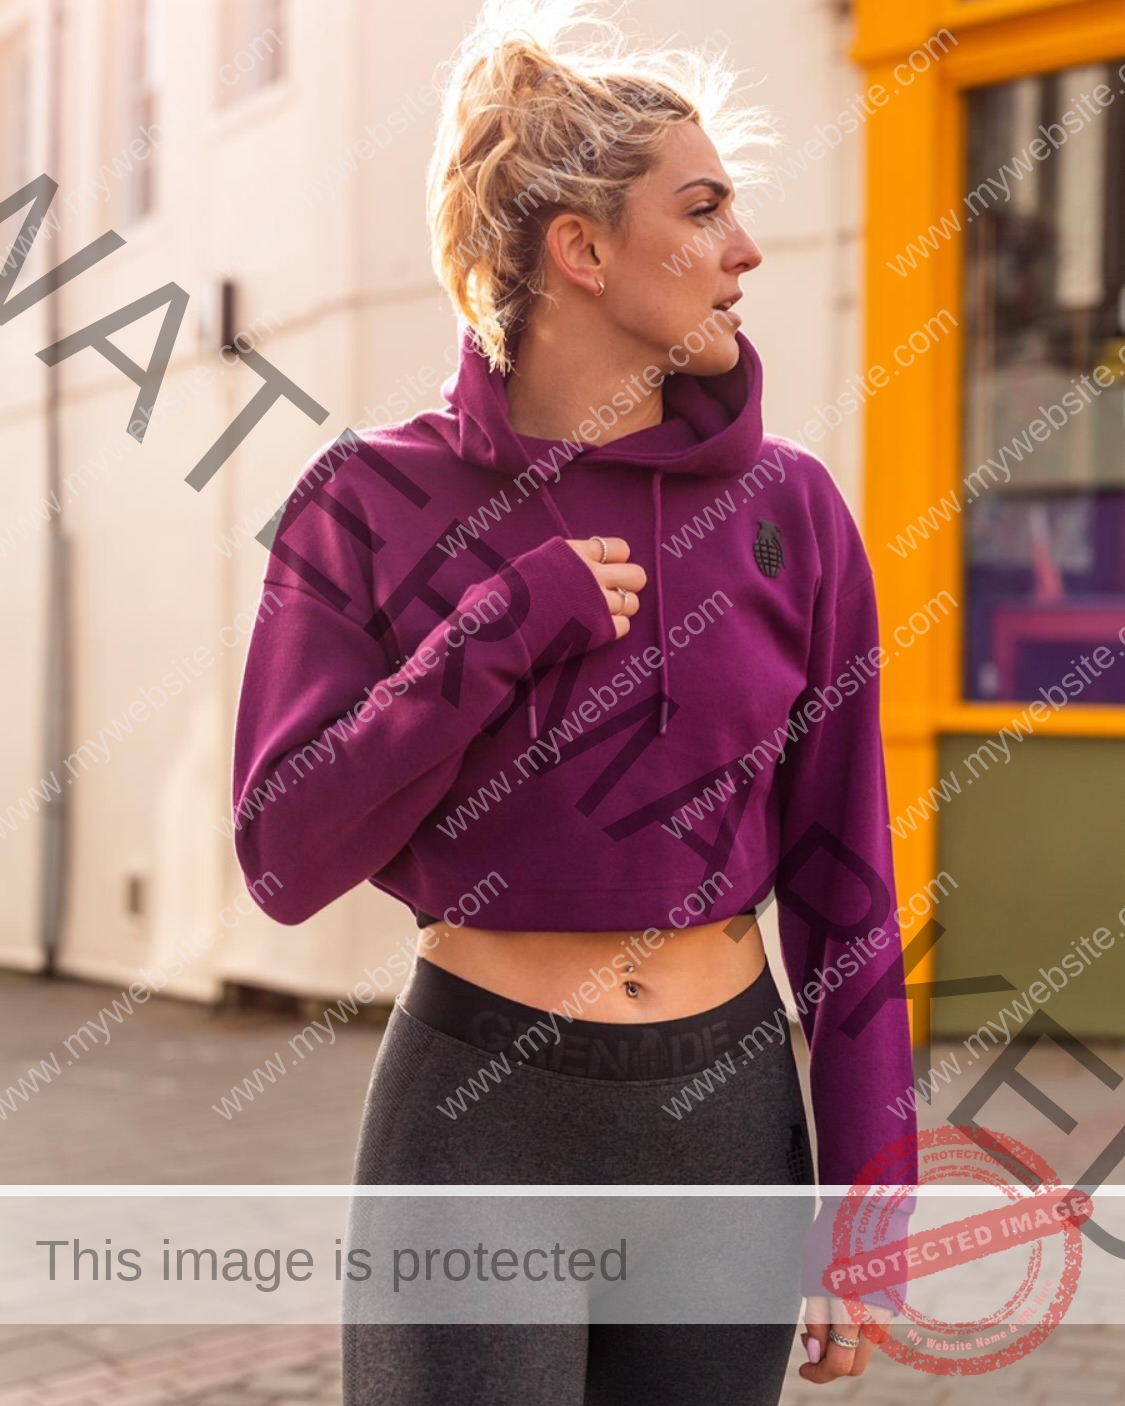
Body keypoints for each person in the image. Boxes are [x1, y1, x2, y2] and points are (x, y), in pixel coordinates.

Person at [230, 2, 918, 1400]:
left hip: (722, 1115)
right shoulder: (366, 498)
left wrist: (869, 1193)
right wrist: (492, 637)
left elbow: (846, 882)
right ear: (583, 249)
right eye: (704, 207)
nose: (745, 251)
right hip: (480, 1118)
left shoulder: (790, 507)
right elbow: (285, 854)